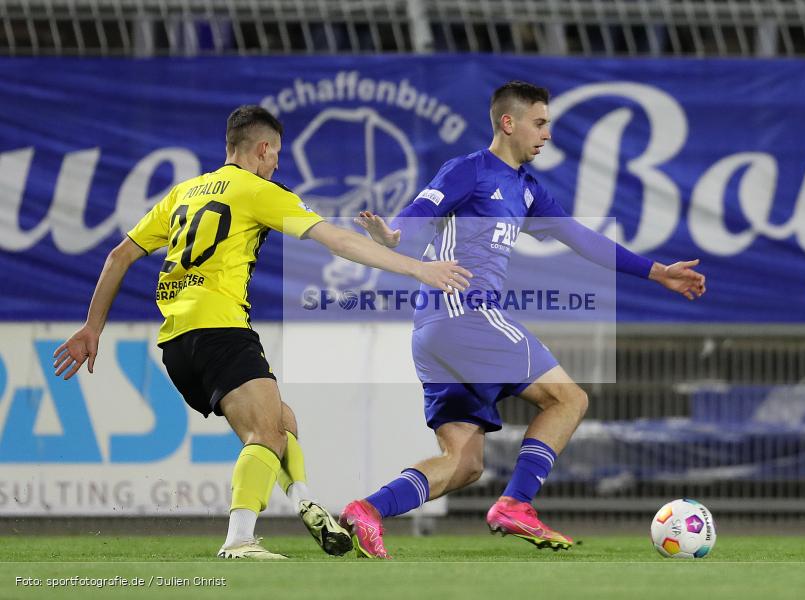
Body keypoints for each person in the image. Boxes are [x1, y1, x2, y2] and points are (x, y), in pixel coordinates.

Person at [52, 105, 472, 560]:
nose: (276, 165)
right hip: (219, 328)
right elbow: (338, 241)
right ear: (263, 149)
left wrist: (92, 327)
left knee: (282, 422)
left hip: (176, 340)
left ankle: (305, 502)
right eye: (276, 156)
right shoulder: (256, 190)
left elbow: (118, 256)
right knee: (266, 435)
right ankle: (239, 539)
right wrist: (417, 268)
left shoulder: (184, 192)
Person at [343, 81, 706, 559]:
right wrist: (391, 236)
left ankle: (366, 511)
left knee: (464, 463)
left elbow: (581, 238)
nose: (547, 134)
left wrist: (656, 271)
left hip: (435, 330)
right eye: (539, 123)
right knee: (568, 399)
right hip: (464, 314)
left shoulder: (527, 190)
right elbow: (418, 213)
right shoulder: (470, 169)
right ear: (508, 123)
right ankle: (516, 503)